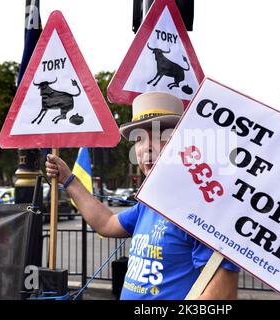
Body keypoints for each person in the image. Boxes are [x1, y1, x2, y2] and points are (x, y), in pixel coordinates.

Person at [46, 91, 240, 300]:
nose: (146, 147)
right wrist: (69, 180)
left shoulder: (203, 208)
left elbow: (222, 296)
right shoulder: (151, 203)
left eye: (159, 136)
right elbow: (107, 223)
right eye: (139, 139)